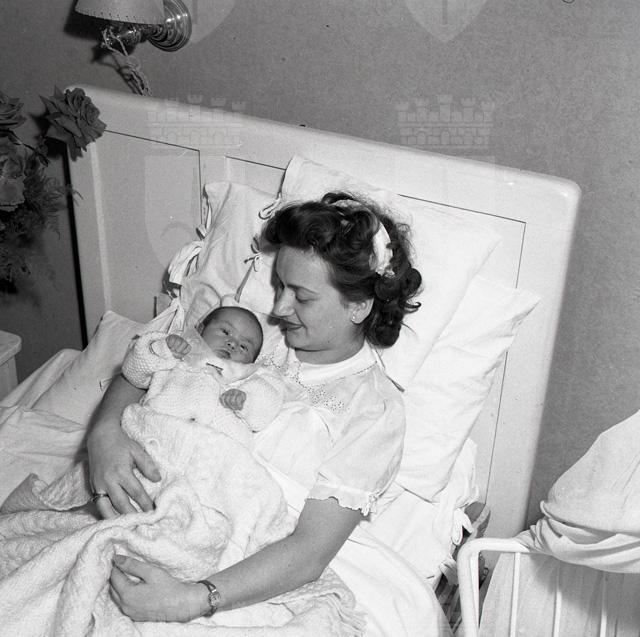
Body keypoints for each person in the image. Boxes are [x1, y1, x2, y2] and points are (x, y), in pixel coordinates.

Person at [88, 191, 423, 624]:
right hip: (163, 506)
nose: (279, 308)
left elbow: (309, 551)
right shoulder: (254, 336)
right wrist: (104, 433)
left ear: (358, 305)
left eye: (302, 297)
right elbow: (149, 367)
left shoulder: (374, 410)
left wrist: (194, 599)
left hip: (253, 562)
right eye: (280, 285)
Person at [121, 304, 293, 451]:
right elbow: (134, 373)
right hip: (157, 434)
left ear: (252, 361)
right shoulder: (177, 357)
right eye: (225, 332)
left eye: (243, 346)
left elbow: (268, 404)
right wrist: (163, 349)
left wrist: (246, 401)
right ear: (200, 330)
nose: (232, 343)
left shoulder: (247, 377)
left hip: (213, 452)